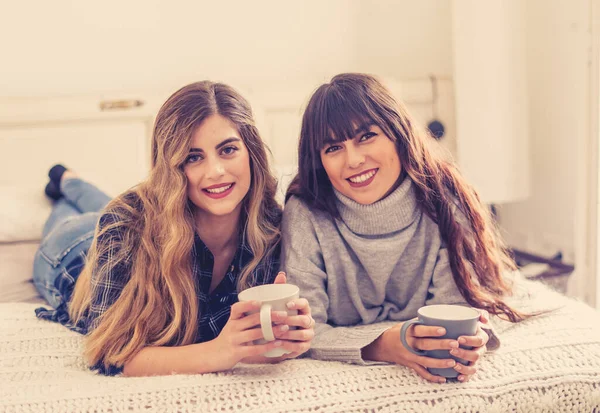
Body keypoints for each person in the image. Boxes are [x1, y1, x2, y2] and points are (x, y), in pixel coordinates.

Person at [33, 81, 314, 377]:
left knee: (101, 202)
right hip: (70, 252)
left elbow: (257, 342)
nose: (216, 171)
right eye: (193, 157)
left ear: (251, 151)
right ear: (171, 168)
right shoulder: (123, 222)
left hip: (131, 216)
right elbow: (109, 356)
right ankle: (68, 181)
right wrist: (220, 351)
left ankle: (72, 181)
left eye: (228, 149)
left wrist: (286, 341)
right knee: (67, 215)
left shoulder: (270, 223)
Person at [281, 73, 526, 384]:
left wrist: (468, 343)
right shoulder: (305, 212)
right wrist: (384, 345)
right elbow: (303, 332)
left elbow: (459, 309)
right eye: (333, 148)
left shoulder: (445, 198)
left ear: (397, 132)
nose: (353, 159)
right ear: (318, 161)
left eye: (366, 136)